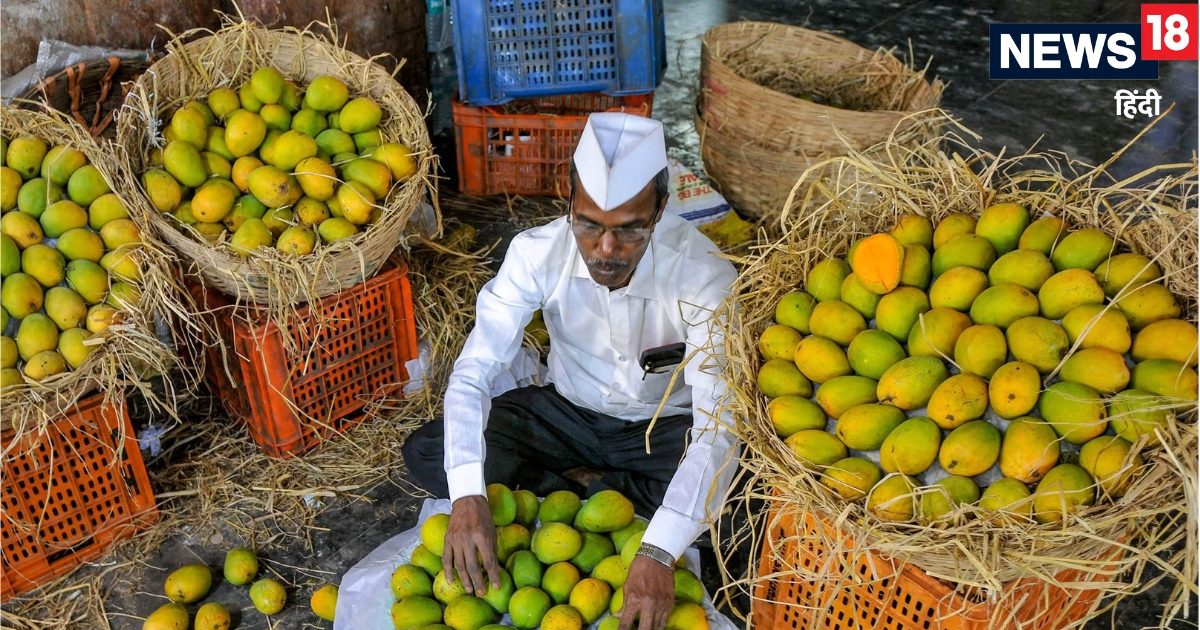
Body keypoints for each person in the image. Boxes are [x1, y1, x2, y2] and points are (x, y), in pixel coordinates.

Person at [402, 112, 738, 630]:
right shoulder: (537, 253)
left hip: (661, 429)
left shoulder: (704, 277)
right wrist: (468, 497)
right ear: (569, 201)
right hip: (567, 414)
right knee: (431, 451)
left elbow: (719, 424)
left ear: (661, 210)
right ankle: (608, 499)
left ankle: (589, 499)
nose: (606, 251)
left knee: (741, 502)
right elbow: (475, 370)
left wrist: (659, 555)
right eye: (589, 225)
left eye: (629, 230)